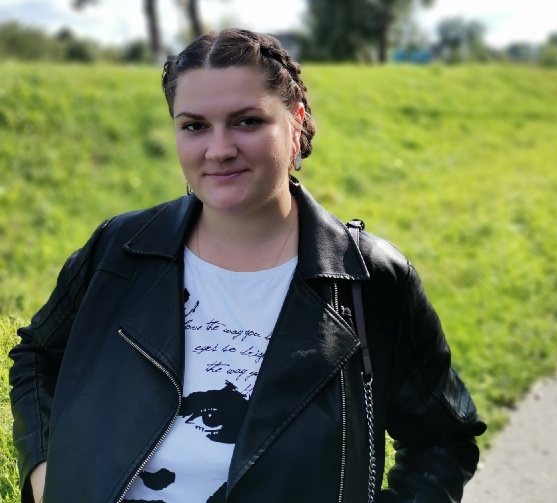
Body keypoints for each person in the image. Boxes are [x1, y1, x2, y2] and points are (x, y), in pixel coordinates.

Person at [9, 29, 486, 503]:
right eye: (194, 126)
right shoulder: (119, 250)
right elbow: (36, 356)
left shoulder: (370, 278)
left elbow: (443, 440)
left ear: (296, 122)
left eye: (247, 122)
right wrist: (44, 470)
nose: (219, 149)